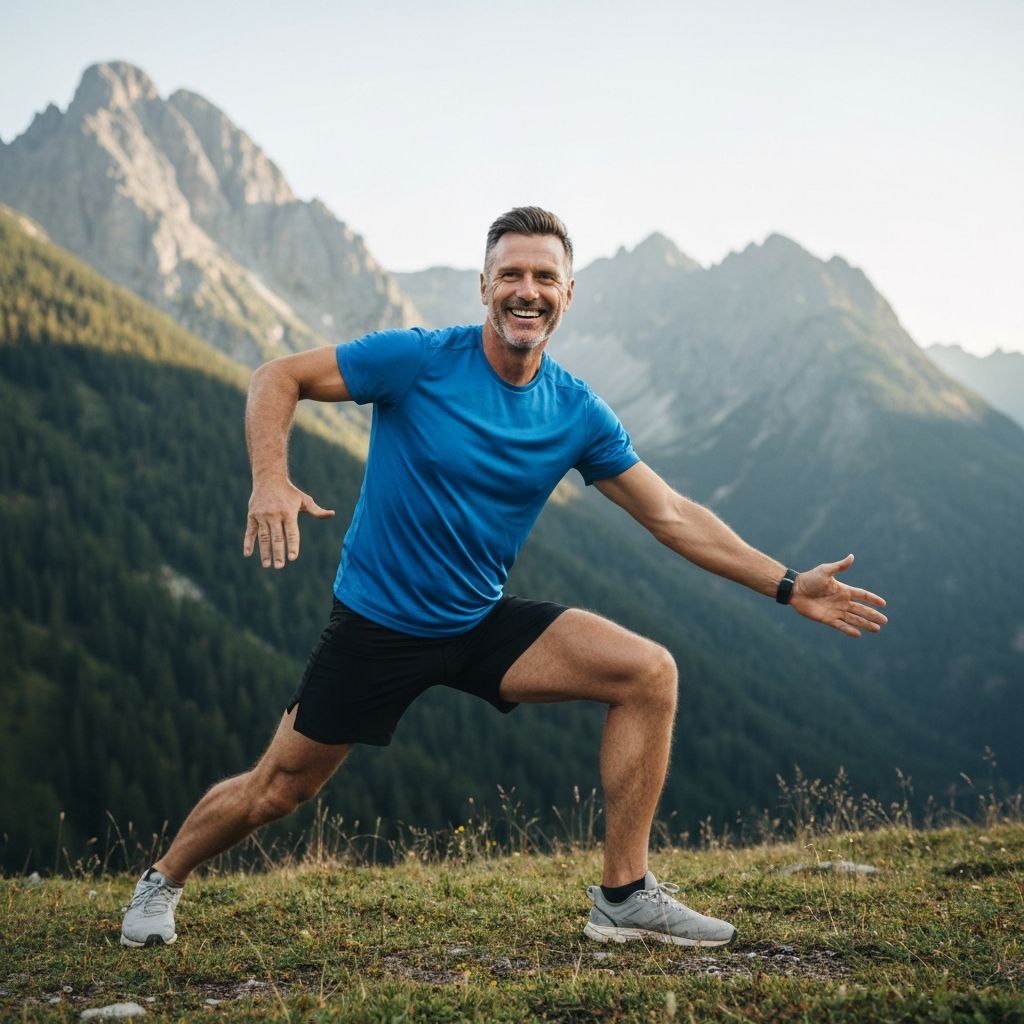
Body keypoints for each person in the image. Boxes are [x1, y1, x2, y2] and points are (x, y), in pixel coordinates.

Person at [121, 207, 887, 949]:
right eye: (511, 273)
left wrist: (788, 584)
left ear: (567, 293)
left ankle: (623, 897)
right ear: (484, 286)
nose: (528, 289)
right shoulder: (417, 360)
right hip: (378, 626)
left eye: (544, 276)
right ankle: (163, 877)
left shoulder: (575, 411)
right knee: (276, 791)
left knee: (648, 674)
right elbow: (276, 376)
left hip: (479, 623)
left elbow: (673, 515)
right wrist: (270, 478)